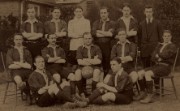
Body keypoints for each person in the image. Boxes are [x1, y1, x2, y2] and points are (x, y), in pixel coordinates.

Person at [136, 30, 177, 103]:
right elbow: (152, 56)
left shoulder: (172, 46)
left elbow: (166, 55)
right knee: (140, 73)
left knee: (147, 74)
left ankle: (149, 95)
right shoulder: (160, 45)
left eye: (168, 36)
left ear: (171, 37)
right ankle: (143, 92)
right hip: (157, 65)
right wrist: (159, 56)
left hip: (166, 67)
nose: (166, 38)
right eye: (165, 36)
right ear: (162, 37)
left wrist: (158, 55)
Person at [75, 32, 102, 97]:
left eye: (89, 38)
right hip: (82, 66)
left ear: (92, 39)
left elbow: (98, 61)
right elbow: (79, 62)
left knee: (96, 71)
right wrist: (93, 60)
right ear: (83, 39)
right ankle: (82, 93)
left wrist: (85, 59)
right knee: (77, 72)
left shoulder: (96, 48)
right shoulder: (80, 48)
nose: (88, 40)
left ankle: (93, 93)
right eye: (86, 38)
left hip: (94, 66)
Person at [92, 7, 115, 75]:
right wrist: (106, 33)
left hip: (108, 45)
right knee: (98, 62)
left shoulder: (112, 23)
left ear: (108, 13)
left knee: (107, 63)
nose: (103, 14)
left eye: (105, 13)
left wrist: (99, 31)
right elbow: (94, 33)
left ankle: (107, 78)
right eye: (101, 13)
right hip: (97, 45)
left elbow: (111, 34)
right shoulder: (96, 23)